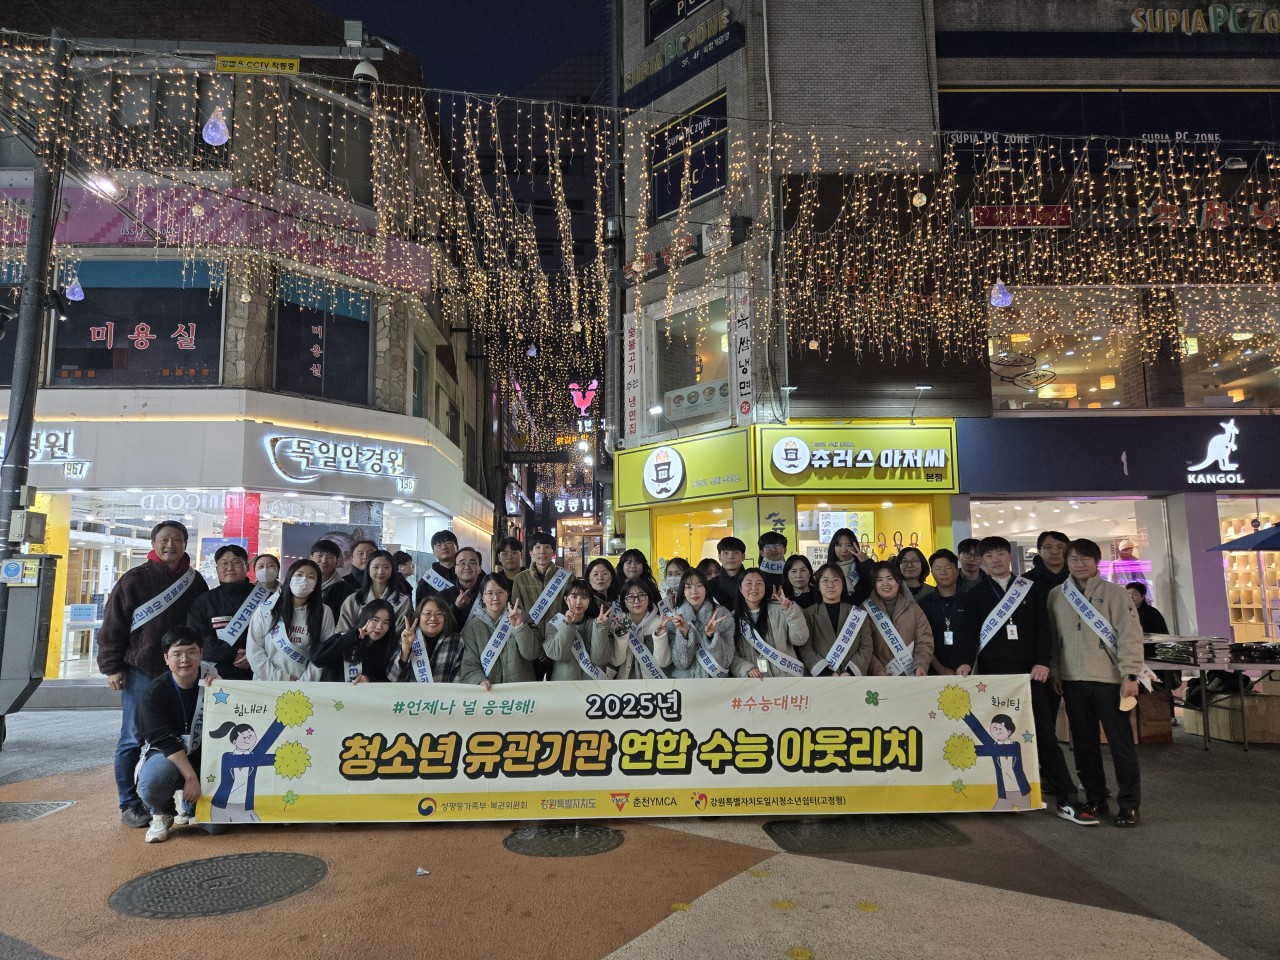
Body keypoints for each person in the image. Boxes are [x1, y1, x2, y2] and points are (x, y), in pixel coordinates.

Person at [960, 537, 1096, 825]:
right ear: (982, 561)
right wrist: (964, 663)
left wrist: (1043, 662)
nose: (995, 560)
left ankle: (1067, 798)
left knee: (1044, 735)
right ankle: (998, 793)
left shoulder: (1031, 588)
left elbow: (1044, 629)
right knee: (994, 737)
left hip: (1031, 676)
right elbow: (968, 634)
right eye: (989, 556)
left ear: (1010, 556)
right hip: (993, 679)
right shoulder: (974, 594)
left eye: (1000, 553)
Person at [98, 520, 209, 828]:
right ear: (154, 543)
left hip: (183, 674)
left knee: (191, 733)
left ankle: (185, 801)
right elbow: (113, 624)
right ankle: (129, 803)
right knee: (132, 738)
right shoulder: (134, 579)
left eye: (177, 539)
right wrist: (112, 666)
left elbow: (201, 625)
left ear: (185, 544)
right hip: (140, 670)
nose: (170, 545)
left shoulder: (194, 580)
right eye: (164, 540)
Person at [1047, 538, 1145, 828]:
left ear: (1096, 562)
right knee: (1083, 744)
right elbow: (1053, 639)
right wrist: (1056, 672)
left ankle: (1129, 804)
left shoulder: (1115, 593)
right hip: (1073, 680)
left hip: (1109, 680)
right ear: (1067, 562)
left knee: (1120, 744)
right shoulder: (1057, 595)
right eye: (1074, 559)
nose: (1079, 564)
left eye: (1085, 559)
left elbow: (1130, 635)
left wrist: (1130, 674)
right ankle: (1096, 797)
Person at [136, 626, 211, 843]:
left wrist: (221, 688)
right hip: (168, 756)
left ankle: (191, 805)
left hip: (205, 758)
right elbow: (166, 741)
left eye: (191, 652)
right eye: (177, 654)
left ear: (201, 654)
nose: (185, 659)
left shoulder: (214, 682)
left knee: (217, 827)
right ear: (166, 658)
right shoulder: (154, 693)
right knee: (153, 781)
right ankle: (162, 813)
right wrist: (191, 777)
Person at [187, 544, 274, 681]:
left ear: (247, 566)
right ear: (217, 568)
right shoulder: (204, 602)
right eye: (224, 563)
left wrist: (253, 655)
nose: (230, 568)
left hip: (260, 673)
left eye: (236, 562)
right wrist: (232, 654)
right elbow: (197, 638)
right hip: (216, 676)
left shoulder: (268, 598)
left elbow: (277, 633)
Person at [246, 558, 333, 681]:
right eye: (299, 575)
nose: (304, 580)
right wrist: (280, 678)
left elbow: (324, 651)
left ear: (316, 583)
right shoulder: (266, 610)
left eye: (311, 577)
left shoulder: (324, 611)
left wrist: (305, 682)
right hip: (267, 683)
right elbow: (254, 650)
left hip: (306, 684)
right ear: (289, 578)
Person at [459, 576, 540, 689]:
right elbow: (469, 666)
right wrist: (479, 680)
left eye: (500, 592)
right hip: (489, 692)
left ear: (507, 594)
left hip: (520, 690)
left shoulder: (523, 617)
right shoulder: (472, 627)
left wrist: (519, 627)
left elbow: (532, 654)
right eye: (490, 593)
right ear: (482, 596)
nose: (495, 598)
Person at [730, 568, 810, 679]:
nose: (754, 588)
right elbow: (731, 655)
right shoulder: (733, 619)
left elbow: (800, 639)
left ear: (765, 587)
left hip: (786, 678)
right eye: (749, 583)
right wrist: (746, 668)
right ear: (740, 587)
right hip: (755, 681)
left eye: (759, 583)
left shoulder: (780, 610)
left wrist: (790, 611)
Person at [800, 563, 874, 677]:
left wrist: (850, 673)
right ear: (818, 586)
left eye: (836, 580)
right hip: (821, 679)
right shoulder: (808, 614)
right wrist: (827, 673)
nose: (831, 585)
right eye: (825, 580)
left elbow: (866, 646)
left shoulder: (858, 614)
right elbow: (806, 649)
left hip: (852, 678)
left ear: (843, 584)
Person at [594, 577, 671, 679]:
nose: (636, 601)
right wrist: (621, 635)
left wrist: (660, 637)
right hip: (625, 684)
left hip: (653, 684)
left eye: (641, 595)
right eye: (630, 597)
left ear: (649, 599)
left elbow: (663, 662)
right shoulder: (619, 623)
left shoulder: (660, 623)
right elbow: (616, 661)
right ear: (624, 602)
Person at [864, 562, 933, 677]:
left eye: (890, 578)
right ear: (874, 584)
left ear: (898, 581)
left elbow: (924, 641)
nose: (885, 583)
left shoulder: (913, 609)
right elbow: (863, 647)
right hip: (878, 679)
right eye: (879, 580)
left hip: (911, 676)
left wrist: (920, 665)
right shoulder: (864, 610)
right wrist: (877, 671)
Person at [669, 568, 735, 679]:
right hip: (684, 683)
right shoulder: (675, 618)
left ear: (706, 589)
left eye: (699, 585)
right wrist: (684, 635)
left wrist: (712, 637)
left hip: (716, 683)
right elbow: (681, 663)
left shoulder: (722, 615)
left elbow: (726, 661)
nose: (694, 591)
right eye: (688, 587)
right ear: (683, 592)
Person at [312, 599, 397, 683]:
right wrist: (354, 635)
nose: (379, 626)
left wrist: (369, 680)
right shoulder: (345, 638)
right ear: (366, 617)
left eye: (386, 622)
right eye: (375, 620)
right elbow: (317, 659)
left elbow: (386, 680)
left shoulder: (387, 650)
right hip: (332, 691)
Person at [544, 579, 612, 681]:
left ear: (590, 601)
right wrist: (567, 624)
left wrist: (600, 627)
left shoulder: (597, 623)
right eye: (574, 597)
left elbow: (600, 659)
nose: (579, 602)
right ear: (566, 599)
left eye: (584, 597)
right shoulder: (555, 623)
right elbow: (558, 655)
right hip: (564, 684)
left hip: (593, 685)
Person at [511, 532, 571, 649]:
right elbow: (518, 610)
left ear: (553, 552)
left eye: (547, 547)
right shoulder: (520, 579)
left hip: (558, 638)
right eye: (537, 547)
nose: (542, 552)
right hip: (530, 638)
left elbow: (570, 609)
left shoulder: (567, 577)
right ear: (530, 553)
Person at [918, 549, 972, 676]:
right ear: (932, 573)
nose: (943, 572)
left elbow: (974, 637)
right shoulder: (925, 603)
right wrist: (940, 669)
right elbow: (922, 639)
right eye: (938, 569)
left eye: (948, 568)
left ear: (957, 572)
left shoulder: (970, 600)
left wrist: (967, 663)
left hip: (967, 670)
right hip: (934, 671)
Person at [336, 548, 413, 632]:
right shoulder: (353, 600)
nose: (380, 572)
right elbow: (342, 632)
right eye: (376, 567)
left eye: (386, 567)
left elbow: (401, 633)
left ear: (392, 570)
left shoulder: (403, 601)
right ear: (368, 569)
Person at [390, 596, 464, 683]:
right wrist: (406, 647)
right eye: (427, 613)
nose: (433, 618)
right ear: (419, 616)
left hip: (444, 692)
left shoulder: (456, 641)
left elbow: (458, 680)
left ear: (446, 616)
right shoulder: (408, 636)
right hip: (411, 691)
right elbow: (393, 678)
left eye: (439, 614)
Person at [1127, 581, 1179, 703]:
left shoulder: (1152, 613)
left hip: (1152, 657)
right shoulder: (1125, 613)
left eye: (1134, 594)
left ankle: (1163, 711)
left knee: (1156, 689)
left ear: (1143, 596)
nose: (1131, 597)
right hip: (1134, 657)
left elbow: (1161, 636)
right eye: (1128, 594)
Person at [826, 527, 875, 605]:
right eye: (839, 545)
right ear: (833, 547)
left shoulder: (863, 566)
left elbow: (875, 581)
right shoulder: (826, 571)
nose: (843, 550)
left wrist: (866, 563)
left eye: (848, 545)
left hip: (862, 610)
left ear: (855, 547)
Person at [310, 539, 355, 621]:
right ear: (310, 558)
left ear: (336, 562)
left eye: (330, 557)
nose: (324, 561)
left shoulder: (347, 591)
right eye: (320, 555)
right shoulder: (300, 584)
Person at [440, 546, 485, 626]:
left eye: (472, 563)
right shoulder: (442, 596)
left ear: (479, 568)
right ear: (455, 569)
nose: (467, 567)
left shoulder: (488, 594)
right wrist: (455, 608)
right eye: (462, 563)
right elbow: (439, 626)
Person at [415, 529, 461, 606]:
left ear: (457, 547)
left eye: (448, 543)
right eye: (439, 545)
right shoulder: (426, 581)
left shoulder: (466, 573)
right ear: (433, 552)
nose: (444, 547)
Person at [708, 536, 748, 608]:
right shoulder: (709, 586)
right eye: (726, 553)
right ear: (719, 557)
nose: (730, 557)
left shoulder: (754, 584)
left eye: (736, 552)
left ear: (743, 556)